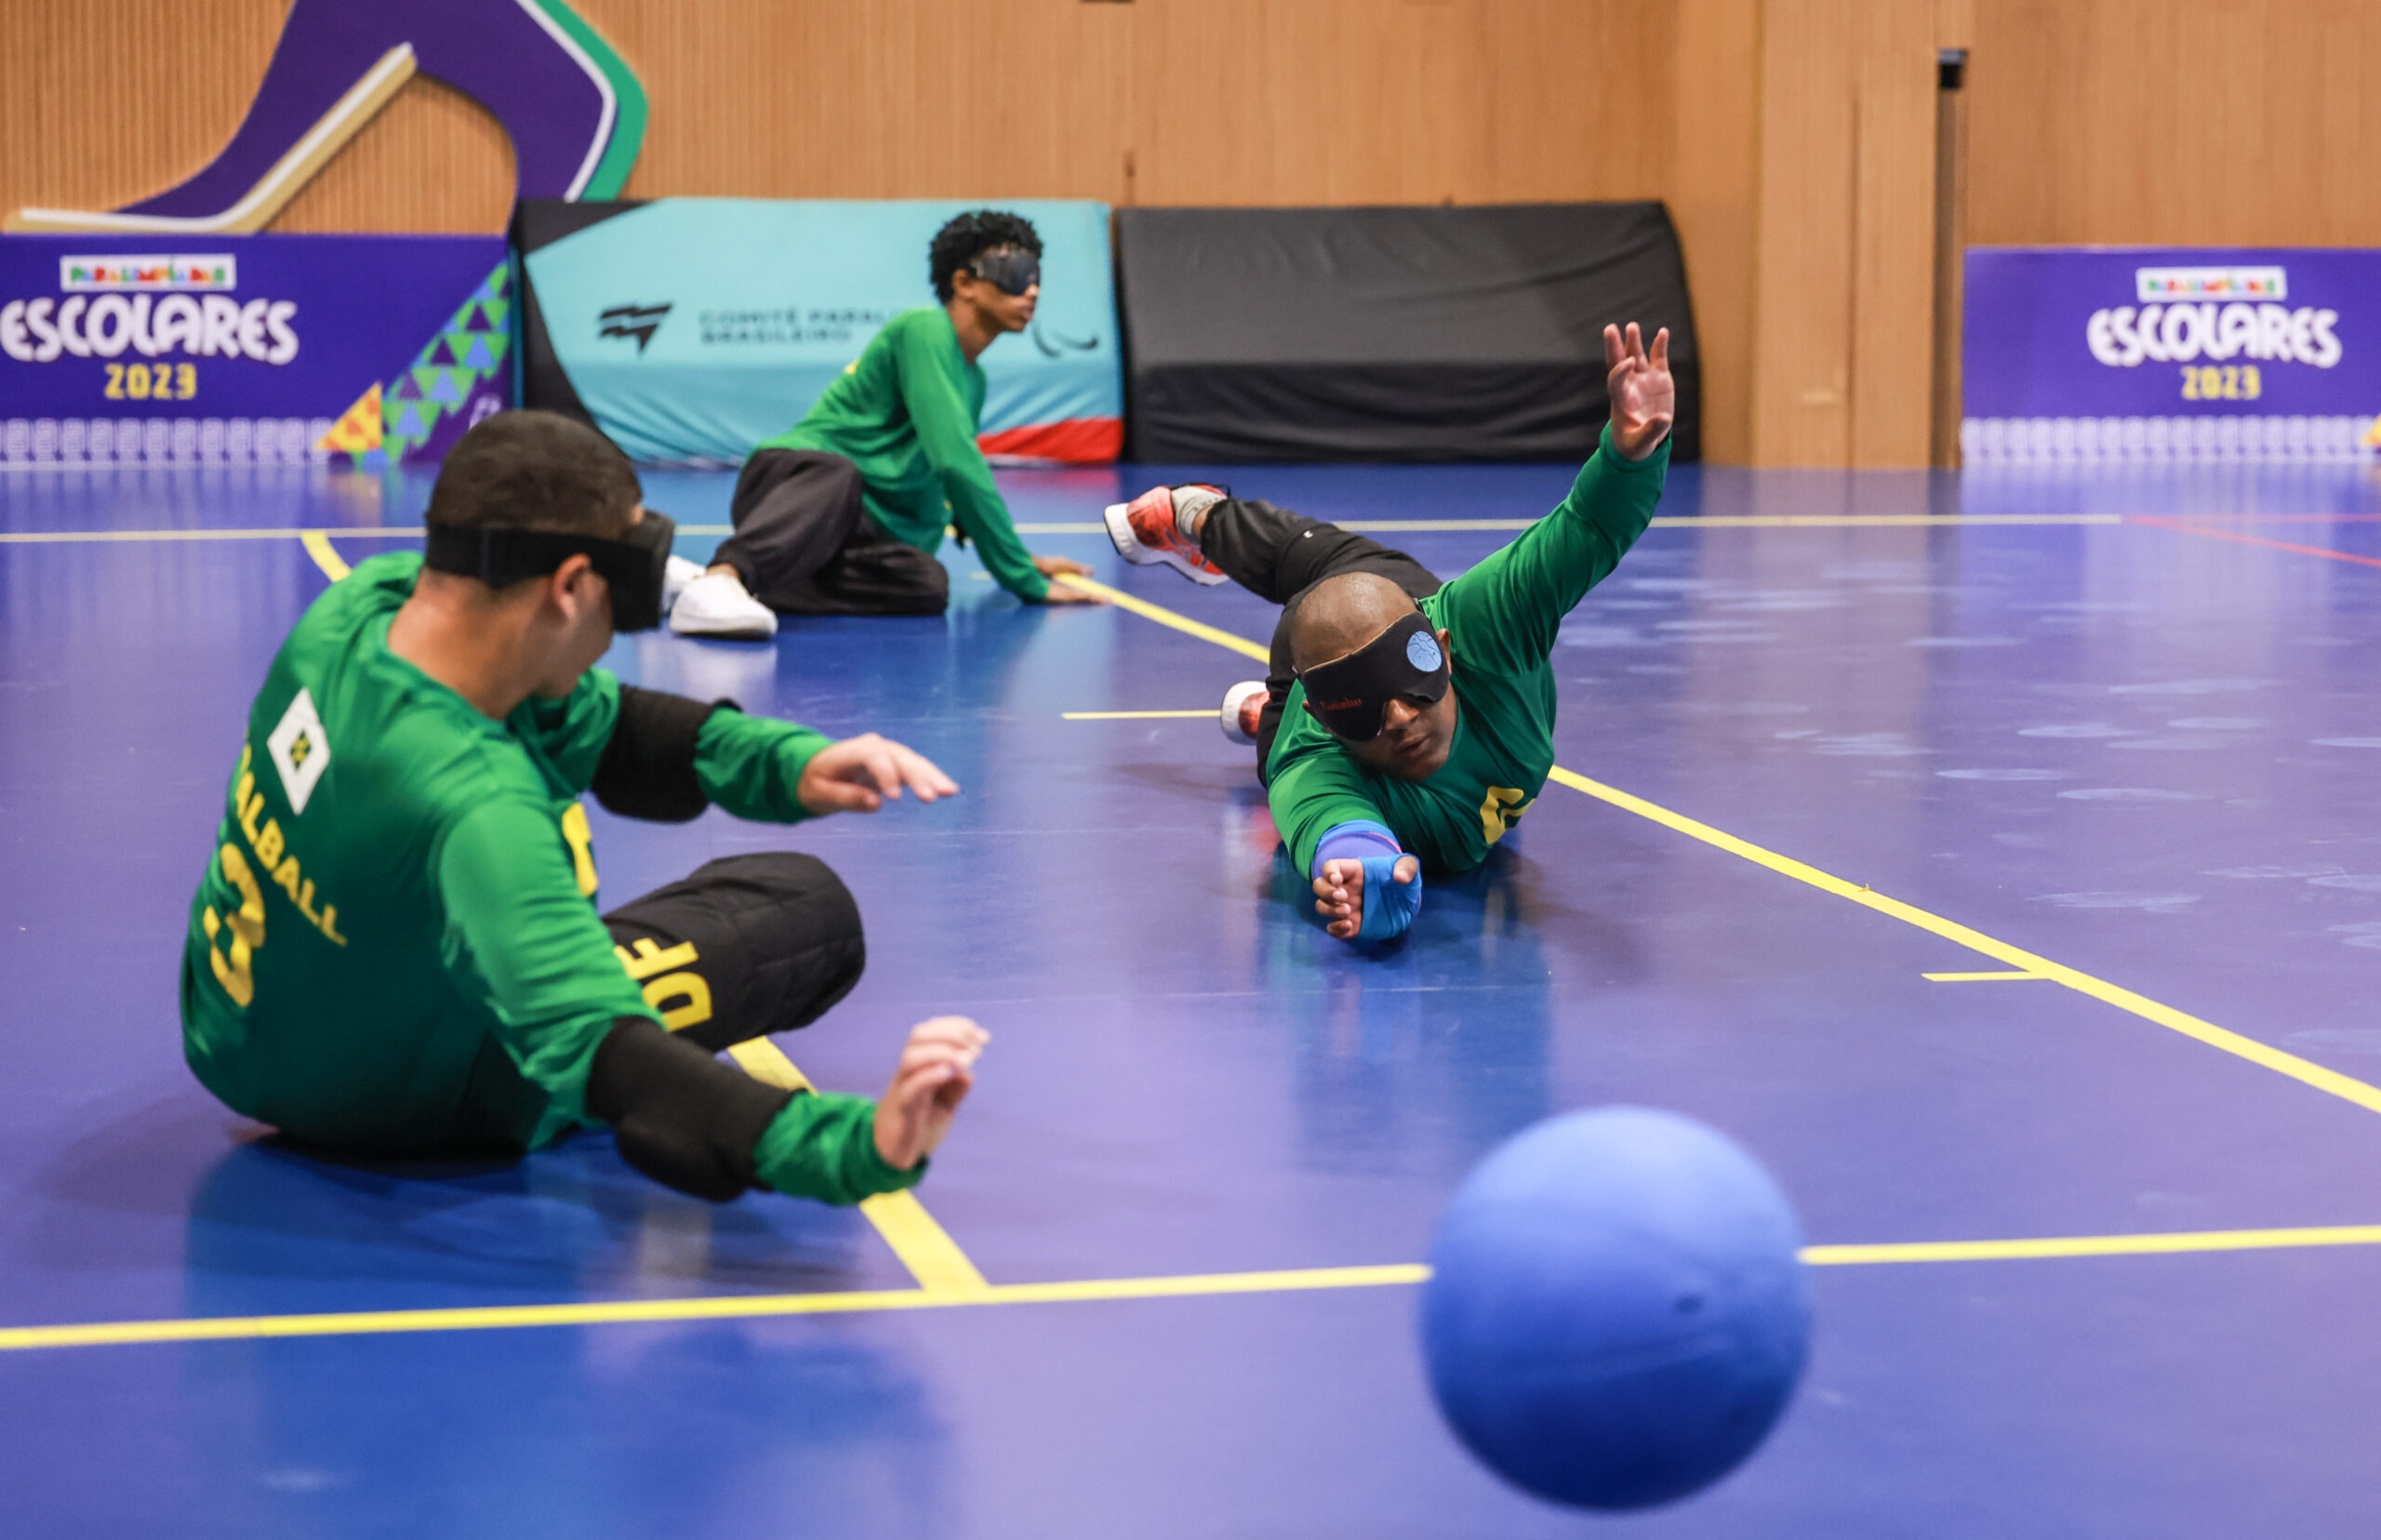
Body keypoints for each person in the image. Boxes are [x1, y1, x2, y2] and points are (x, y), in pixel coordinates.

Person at [182, 411, 981, 1206]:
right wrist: (858, 1149)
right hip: (401, 1110)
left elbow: (604, 726)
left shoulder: (354, 614)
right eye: (627, 589)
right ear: (570, 586)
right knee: (806, 913)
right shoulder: (478, 808)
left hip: (235, 1033)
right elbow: (603, 1050)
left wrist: (788, 764)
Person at [1101, 323, 1677, 944]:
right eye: (1365, 710)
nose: (1401, 716)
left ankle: (1197, 512)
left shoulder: (1484, 621)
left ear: (1444, 647)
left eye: (1412, 682)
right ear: (1327, 721)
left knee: (1324, 558)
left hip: (1372, 600)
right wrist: (1362, 876)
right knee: (1277, 753)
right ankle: (1274, 707)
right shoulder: (1313, 759)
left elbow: (1583, 529)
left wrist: (1626, 457)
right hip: (1312, 673)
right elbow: (1333, 823)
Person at [670, 209, 1104, 638]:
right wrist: (1022, 580)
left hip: (855, 530)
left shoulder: (975, 380)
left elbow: (947, 487)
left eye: (1036, 276)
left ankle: (728, 585)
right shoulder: (924, 329)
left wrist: (1020, 558)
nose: (1031, 290)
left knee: (927, 584)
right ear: (964, 283)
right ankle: (723, 576)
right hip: (798, 485)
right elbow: (956, 463)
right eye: (1015, 272)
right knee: (840, 474)